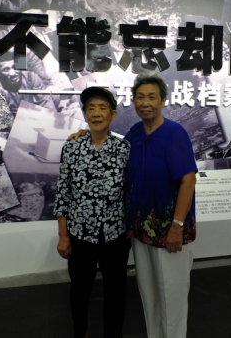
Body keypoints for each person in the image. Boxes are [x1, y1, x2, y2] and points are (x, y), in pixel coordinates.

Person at [69, 72, 198, 338]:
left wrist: (176, 227)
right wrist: (87, 134)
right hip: (140, 232)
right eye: (140, 97)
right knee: (149, 296)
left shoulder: (175, 133)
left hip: (169, 231)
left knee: (171, 296)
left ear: (163, 100)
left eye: (152, 97)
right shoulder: (135, 133)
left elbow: (188, 181)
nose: (145, 102)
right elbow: (110, 146)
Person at [54, 87, 131, 338]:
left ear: (113, 114)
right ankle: (82, 333)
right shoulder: (72, 147)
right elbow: (63, 192)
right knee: (80, 290)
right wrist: (63, 235)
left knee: (116, 291)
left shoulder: (124, 149)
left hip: (115, 234)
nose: (96, 113)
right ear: (85, 114)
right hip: (80, 234)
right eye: (91, 108)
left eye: (102, 108)